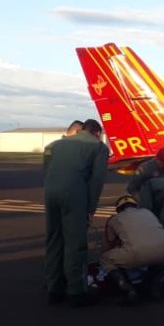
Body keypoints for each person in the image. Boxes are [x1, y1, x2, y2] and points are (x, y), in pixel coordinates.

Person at [43, 118, 109, 307]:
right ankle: (76, 291)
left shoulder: (54, 145)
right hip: (74, 193)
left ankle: (54, 288)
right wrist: (90, 209)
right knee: (75, 243)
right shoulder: (98, 147)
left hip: (51, 192)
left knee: (54, 239)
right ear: (97, 133)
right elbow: (96, 181)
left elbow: (46, 172)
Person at [100, 195, 164, 304]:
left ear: (118, 209)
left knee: (105, 259)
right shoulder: (148, 212)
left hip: (137, 253)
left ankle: (127, 289)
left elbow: (109, 243)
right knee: (157, 254)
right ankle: (155, 288)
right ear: (135, 206)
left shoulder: (115, 219)